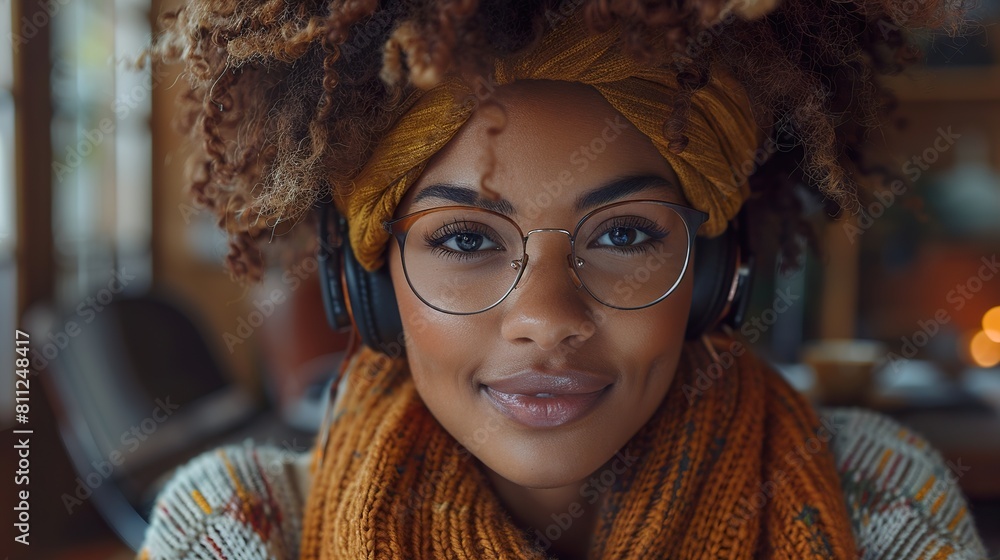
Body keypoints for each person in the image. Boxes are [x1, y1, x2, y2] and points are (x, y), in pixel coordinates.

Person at [137, 0, 988, 558]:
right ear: (365, 282)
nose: (546, 318)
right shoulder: (232, 530)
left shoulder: (880, 502)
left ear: (720, 271)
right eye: (465, 238)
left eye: (623, 233)